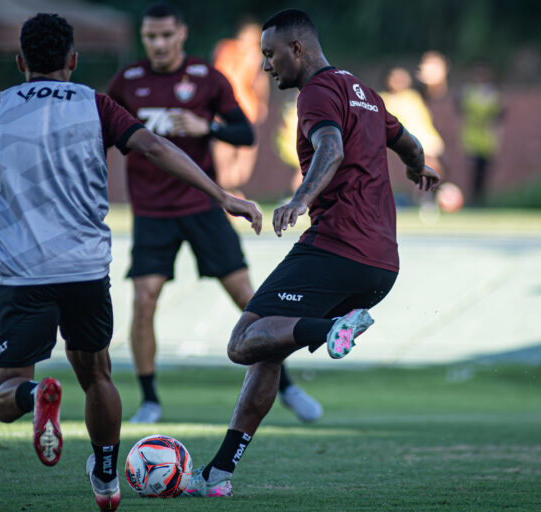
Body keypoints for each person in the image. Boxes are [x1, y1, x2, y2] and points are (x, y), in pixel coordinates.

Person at [0, 13, 261, 512]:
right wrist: (221, 194)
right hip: (86, 272)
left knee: (2, 395)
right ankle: (107, 478)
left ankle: (37, 394)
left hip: (23, 276)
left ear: (20, 63)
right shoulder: (97, 104)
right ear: (73, 61)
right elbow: (153, 146)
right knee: (97, 376)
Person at [182, 9, 439, 497]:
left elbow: (331, 147)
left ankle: (334, 330)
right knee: (269, 349)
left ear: (297, 49)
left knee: (243, 341)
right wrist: (420, 169)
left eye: (270, 55)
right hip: (381, 264)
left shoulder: (318, 92)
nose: (265, 67)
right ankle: (218, 474)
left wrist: (301, 199)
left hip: (337, 248)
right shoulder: (362, 90)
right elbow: (407, 142)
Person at [107, 1, 322, 425]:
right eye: (151, 36)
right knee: (144, 298)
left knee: (248, 298)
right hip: (152, 212)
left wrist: (208, 128)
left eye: (166, 35)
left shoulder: (206, 78)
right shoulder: (128, 82)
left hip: (203, 206)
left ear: (182, 35)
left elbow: (243, 131)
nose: (159, 44)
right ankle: (149, 400)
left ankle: (288, 386)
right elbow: (104, 132)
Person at [211, 18, 270, 192]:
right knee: (242, 152)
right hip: (244, 108)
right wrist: (262, 103)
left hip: (225, 108)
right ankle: (229, 190)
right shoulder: (252, 52)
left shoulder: (223, 48)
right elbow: (260, 79)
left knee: (224, 151)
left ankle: (227, 190)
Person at [459, 63, 503, 206]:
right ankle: (473, 199)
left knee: (485, 171)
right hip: (472, 136)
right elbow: (462, 111)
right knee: (473, 170)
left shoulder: (493, 94)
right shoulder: (469, 92)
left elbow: (498, 115)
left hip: (487, 138)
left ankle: (481, 199)